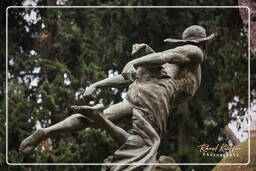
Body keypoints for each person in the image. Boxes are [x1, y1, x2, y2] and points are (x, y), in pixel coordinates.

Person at [20, 25, 214, 171]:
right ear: (204, 43)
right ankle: (101, 121)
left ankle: (47, 131)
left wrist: (95, 85)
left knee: (90, 120)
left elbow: (129, 77)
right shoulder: (195, 53)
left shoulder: (176, 65)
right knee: (144, 145)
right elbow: (165, 56)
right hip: (156, 96)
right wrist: (134, 61)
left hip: (139, 91)